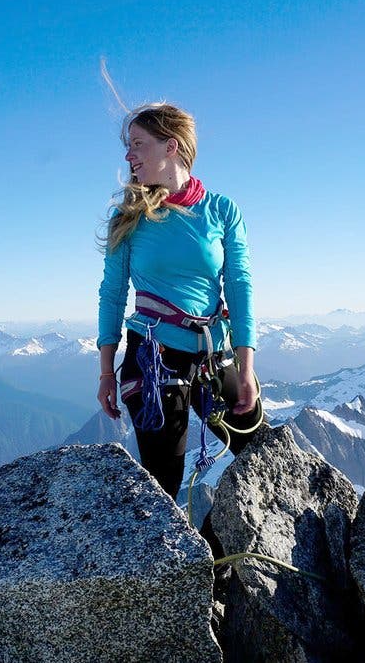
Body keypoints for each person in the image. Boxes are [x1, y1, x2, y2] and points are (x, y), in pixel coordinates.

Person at [96, 102, 262, 500]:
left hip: (213, 354)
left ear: (171, 146)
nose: (128, 155)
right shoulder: (129, 216)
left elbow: (240, 286)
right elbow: (113, 293)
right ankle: (187, 561)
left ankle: (224, 556)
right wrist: (106, 373)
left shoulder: (222, 210)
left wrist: (247, 366)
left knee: (259, 456)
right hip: (153, 357)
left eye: (138, 144)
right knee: (165, 486)